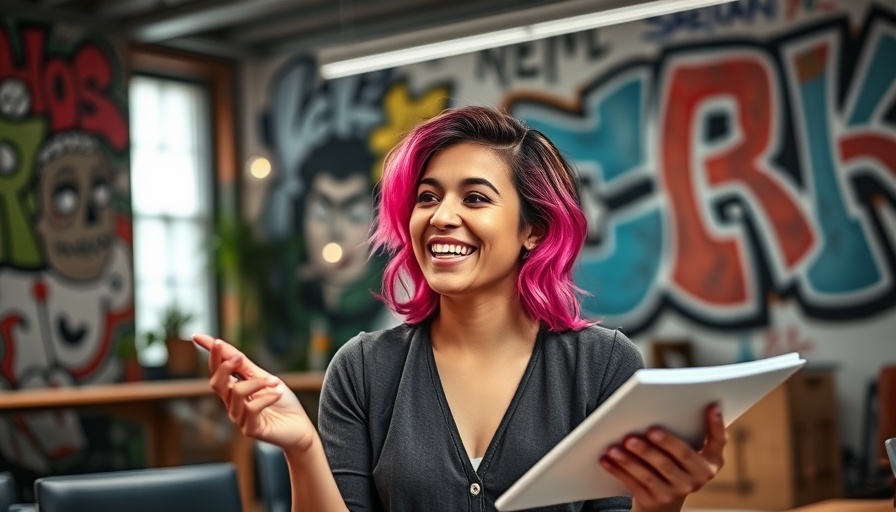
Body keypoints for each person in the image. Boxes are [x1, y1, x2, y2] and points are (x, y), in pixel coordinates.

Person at [193, 105, 726, 512]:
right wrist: (302, 447)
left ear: (533, 229)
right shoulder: (362, 371)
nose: (441, 216)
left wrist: (661, 505)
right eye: (427, 197)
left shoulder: (602, 366)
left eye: (475, 198)